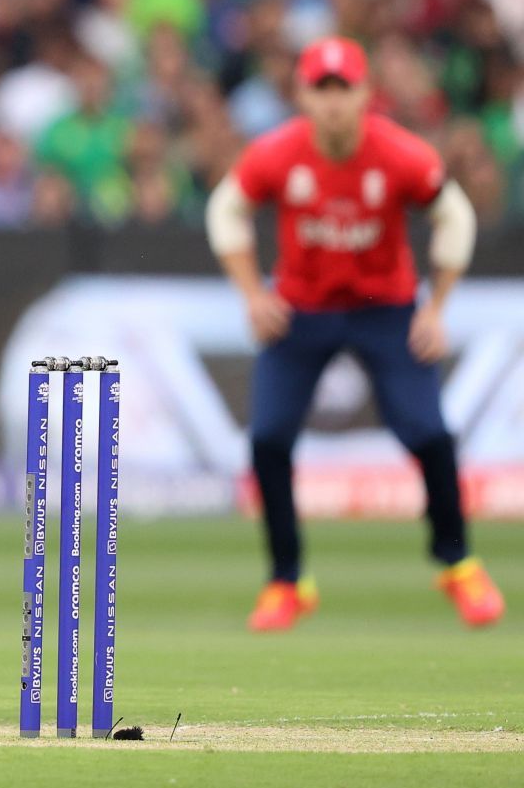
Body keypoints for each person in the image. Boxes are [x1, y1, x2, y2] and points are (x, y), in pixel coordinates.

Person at [205, 36, 504, 632]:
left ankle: (458, 563)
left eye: (345, 89)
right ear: (302, 96)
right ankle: (287, 581)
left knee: (429, 434)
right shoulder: (277, 153)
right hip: (301, 309)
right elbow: (226, 210)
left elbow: (455, 216)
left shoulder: (400, 155)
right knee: (267, 441)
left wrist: (436, 307)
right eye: (322, 89)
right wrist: (252, 295)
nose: (335, 103)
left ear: (367, 94)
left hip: (385, 309)